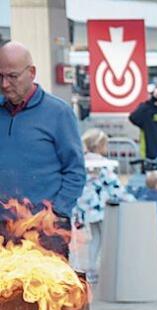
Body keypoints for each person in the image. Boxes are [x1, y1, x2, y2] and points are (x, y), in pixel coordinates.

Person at [0, 41, 85, 257]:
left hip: (45, 229)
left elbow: (75, 171)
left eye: (12, 76)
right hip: (2, 228)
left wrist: (57, 212)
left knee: (46, 290)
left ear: (32, 73)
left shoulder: (58, 113)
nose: (5, 84)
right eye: (0, 76)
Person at [74, 128, 134, 282]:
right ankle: (102, 269)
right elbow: (113, 186)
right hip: (100, 207)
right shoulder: (103, 164)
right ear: (101, 145)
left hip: (85, 208)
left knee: (95, 237)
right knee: (104, 238)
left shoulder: (82, 161)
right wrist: (130, 199)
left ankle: (90, 269)